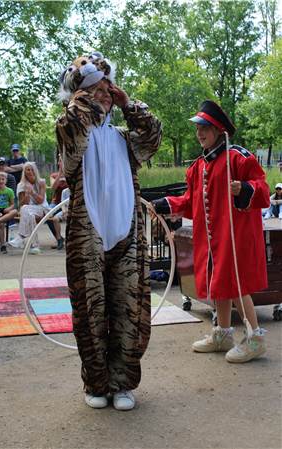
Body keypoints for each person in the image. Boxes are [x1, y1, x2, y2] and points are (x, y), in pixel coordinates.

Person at [56, 51, 162, 410]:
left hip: (127, 235)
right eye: (94, 89)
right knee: (90, 310)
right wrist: (85, 97)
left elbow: (152, 135)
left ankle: (123, 383)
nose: (104, 94)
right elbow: (74, 128)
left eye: (107, 88)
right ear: (80, 93)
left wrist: (128, 104)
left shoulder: (123, 138)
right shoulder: (72, 130)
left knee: (129, 308)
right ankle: (96, 383)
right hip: (88, 235)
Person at [151, 100, 269, 363]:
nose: (200, 133)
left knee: (236, 285)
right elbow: (191, 202)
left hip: (234, 235)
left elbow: (263, 190)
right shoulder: (198, 166)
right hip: (210, 237)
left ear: (218, 129)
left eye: (205, 127)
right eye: (198, 129)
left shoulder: (240, 157)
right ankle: (223, 334)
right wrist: (163, 204)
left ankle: (255, 338)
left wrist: (245, 189)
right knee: (219, 284)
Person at [0, 172, 18, 253]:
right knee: (1, 225)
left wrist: (9, 208)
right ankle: (3, 245)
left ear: (6, 180)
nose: (1, 181)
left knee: (15, 211)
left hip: (6, 210)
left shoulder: (10, 191)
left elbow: (13, 204)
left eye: (3, 179)